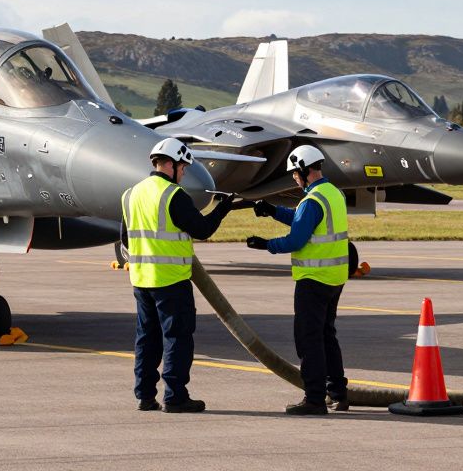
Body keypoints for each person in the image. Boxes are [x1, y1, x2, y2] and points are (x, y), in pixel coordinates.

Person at [122, 138, 234, 413]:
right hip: (171, 279)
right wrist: (222, 209)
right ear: (170, 164)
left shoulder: (131, 194)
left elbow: (125, 239)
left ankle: (145, 396)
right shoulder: (173, 195)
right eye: (183, 167)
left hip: (141, 280)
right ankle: (175, 396)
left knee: (146, 338)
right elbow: (203, 229)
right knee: (177, 337)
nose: (183, 173)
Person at [245, 144, 349, 415]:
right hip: (334, 277)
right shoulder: (331, 194)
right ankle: (338, 392)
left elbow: (297, 238)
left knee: (309, 339)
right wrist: (273, 211)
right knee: (327, 335)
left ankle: (314, 398)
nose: (293, 177)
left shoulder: (312, 200)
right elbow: (304, 220)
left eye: (294, 173)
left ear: (304, 171)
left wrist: (266, 245)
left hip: (313, 278)